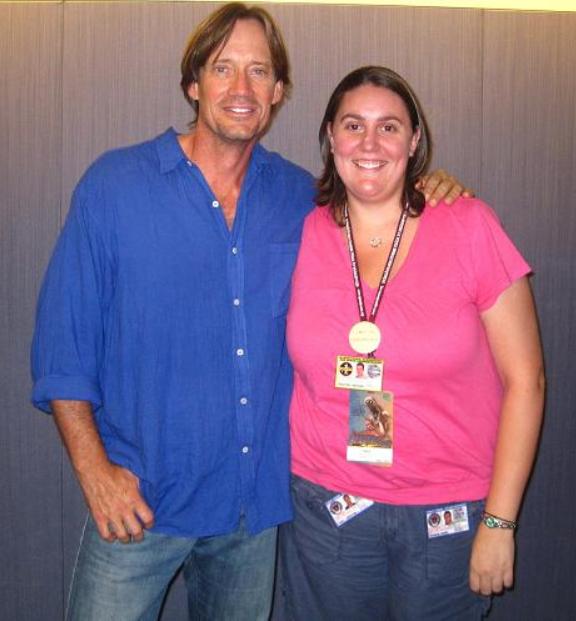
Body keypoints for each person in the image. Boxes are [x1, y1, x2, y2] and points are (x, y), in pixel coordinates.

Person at [30, 3, 470, 620]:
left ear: (279, 91)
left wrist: (435, 187)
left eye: (259, 71)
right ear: (193, 83)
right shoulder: (114, 188)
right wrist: (94, 471)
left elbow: (381, 191)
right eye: (223, 68)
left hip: (252, 513)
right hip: (140, 503)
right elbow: (62, 348)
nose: (241, 89)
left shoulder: (303, 199)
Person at [280, 66, 545, 620]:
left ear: (415, 140)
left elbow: (527, 381)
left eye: (390, 127)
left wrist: (500, 522)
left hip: (446, 517)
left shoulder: (470, 226)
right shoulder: (300, 230)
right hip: (328, 509)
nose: (370, 143)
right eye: (354, 125)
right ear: (331, 137)